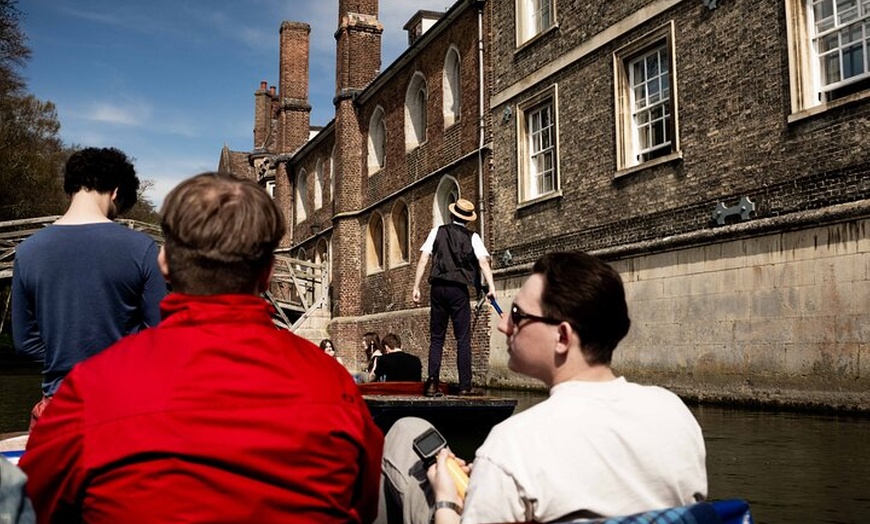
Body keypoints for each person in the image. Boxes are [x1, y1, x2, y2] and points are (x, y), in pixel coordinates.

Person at [19, 172, 384, 523]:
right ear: (269, 271)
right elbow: (362, 506)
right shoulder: (333, 384)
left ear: (164, 263)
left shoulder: (89, 386)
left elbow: (32, 505)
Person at [385, 251, 707, 524]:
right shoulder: (675, 414)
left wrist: (447, 502)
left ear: (563, 337)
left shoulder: (512, 446)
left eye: (517, 315)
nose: (503, 325)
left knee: (405, 432)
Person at [11, 147, 166, 429]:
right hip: (123, 408)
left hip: (58, 410)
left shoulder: (27, 251)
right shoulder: (141, 248)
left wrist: (68, 354)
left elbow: (25, 343)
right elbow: (158, 335)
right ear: (116, 193)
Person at [412, 198, 496, 396]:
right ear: (468, 220)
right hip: (459, 290)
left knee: (437, 338)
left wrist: (416, 286)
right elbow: (483, 262)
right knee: (463, 339)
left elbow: (424, 258)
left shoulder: (437, 231)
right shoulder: (473, 237)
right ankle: (465, 386)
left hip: (438, 288)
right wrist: (491, 287)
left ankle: (432, 384)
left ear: (452, 215)